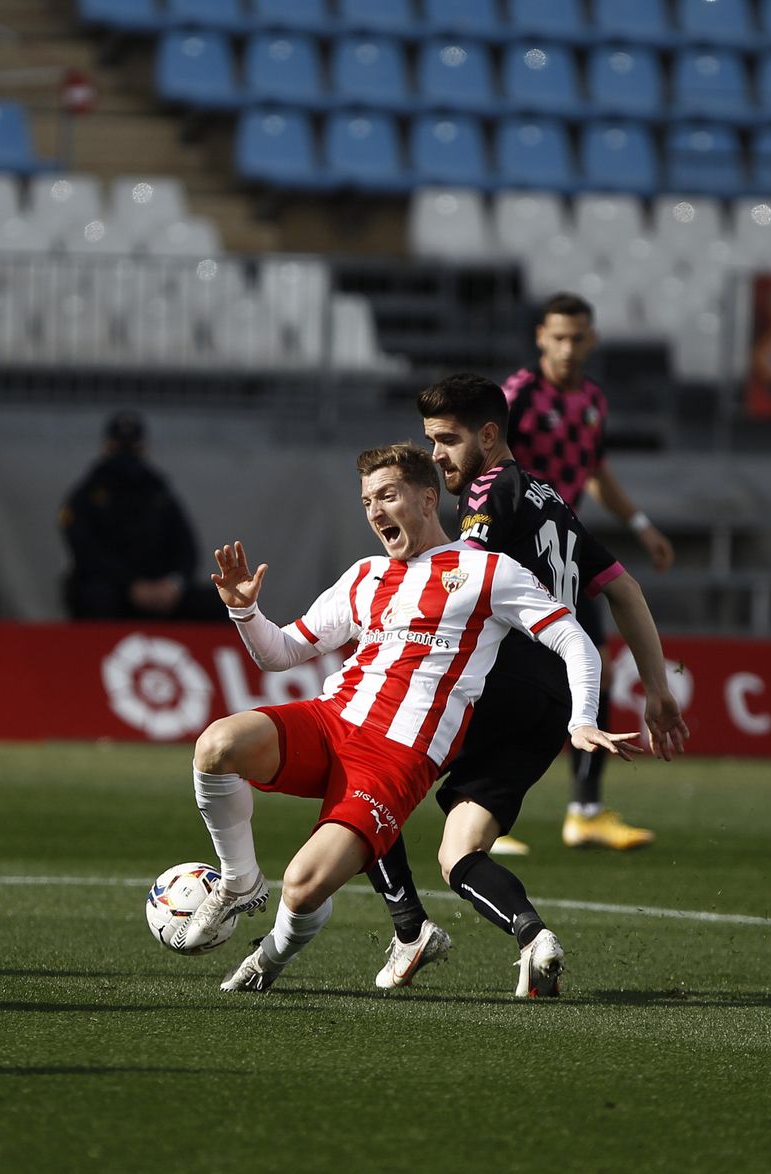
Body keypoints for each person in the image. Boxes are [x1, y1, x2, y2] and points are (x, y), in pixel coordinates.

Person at [172, 443, 641, 995]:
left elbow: (573, 637)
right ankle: (239, 883)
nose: (374, 511)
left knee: (301, 888)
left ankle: (270, 958)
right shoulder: (365, 575)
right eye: (367, 500)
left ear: (427, 498)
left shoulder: (486, 571)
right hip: (330, 719)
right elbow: (279, 653)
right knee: (216, 745)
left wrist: (580, 718)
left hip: (396, 756)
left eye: (387, 496)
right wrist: (244, 610)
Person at [361, 374, 690, 995]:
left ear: (488, 436)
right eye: (432, 441)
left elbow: (462, 579)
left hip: (495, 682)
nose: (436, 456)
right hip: (551, 699)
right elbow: (624, 589)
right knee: (461, 852)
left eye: (447, 440)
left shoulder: (488, 492)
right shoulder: (553, 500)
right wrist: (658, 691)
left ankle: (408, 928)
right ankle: (535, 940)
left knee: (366, 780)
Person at [500, 292, 677, 852]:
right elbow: (492, 464)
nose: (569, 347)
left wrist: (642, 523)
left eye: (578, 337)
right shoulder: (517, 396)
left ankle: (585, 810)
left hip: (567, 549)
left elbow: (595, 469)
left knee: (592, 664)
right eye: (559, 337)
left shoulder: (594, 398)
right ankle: (480, 800)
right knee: (497, 672)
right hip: (516, 551)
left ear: (592, 339)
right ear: (540, 338)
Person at [59, 411, 224, 622]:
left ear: (144, 448)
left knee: (217, 602)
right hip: (115, 589)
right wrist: (130, 585)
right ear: (107, 447)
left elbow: (187, 548)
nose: (127, 454)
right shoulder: (88, 496)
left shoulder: (159, 493)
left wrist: (174, 583)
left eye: (133, 446)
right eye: (120, 446)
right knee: (96, 597)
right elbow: (85, 553)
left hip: (161, 588)